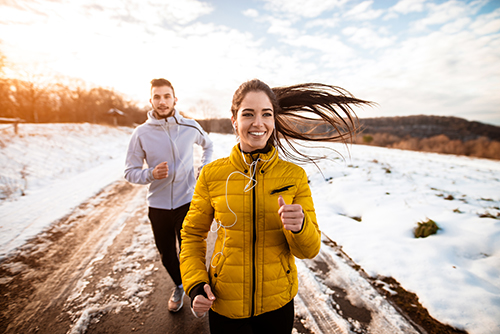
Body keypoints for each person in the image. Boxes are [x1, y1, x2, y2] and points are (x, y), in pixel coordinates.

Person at [179, 79, 373, 333]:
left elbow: (310, 250)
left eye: (266, 114)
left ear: (274, 120)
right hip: (225, 303)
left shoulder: (294, 176)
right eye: (248, 114)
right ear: (234, 120)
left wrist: (300, 226)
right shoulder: (212, 175)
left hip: (277, 304)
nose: (258, 123)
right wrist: (195, 284)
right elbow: (192, 234)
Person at [124, 78, 213, 312]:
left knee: (189, 250)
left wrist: (204, 168)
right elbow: (129, 172)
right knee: (166, 255)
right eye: (157, 97)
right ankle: (179, 284)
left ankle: (196, 291)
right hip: (159, 206)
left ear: (175, 99)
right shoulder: (141, 133)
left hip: (187, 201)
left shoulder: (190, 126)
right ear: (150, 100)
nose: (162, 102)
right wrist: (151, 174)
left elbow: (209, 145)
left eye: (166, 96)